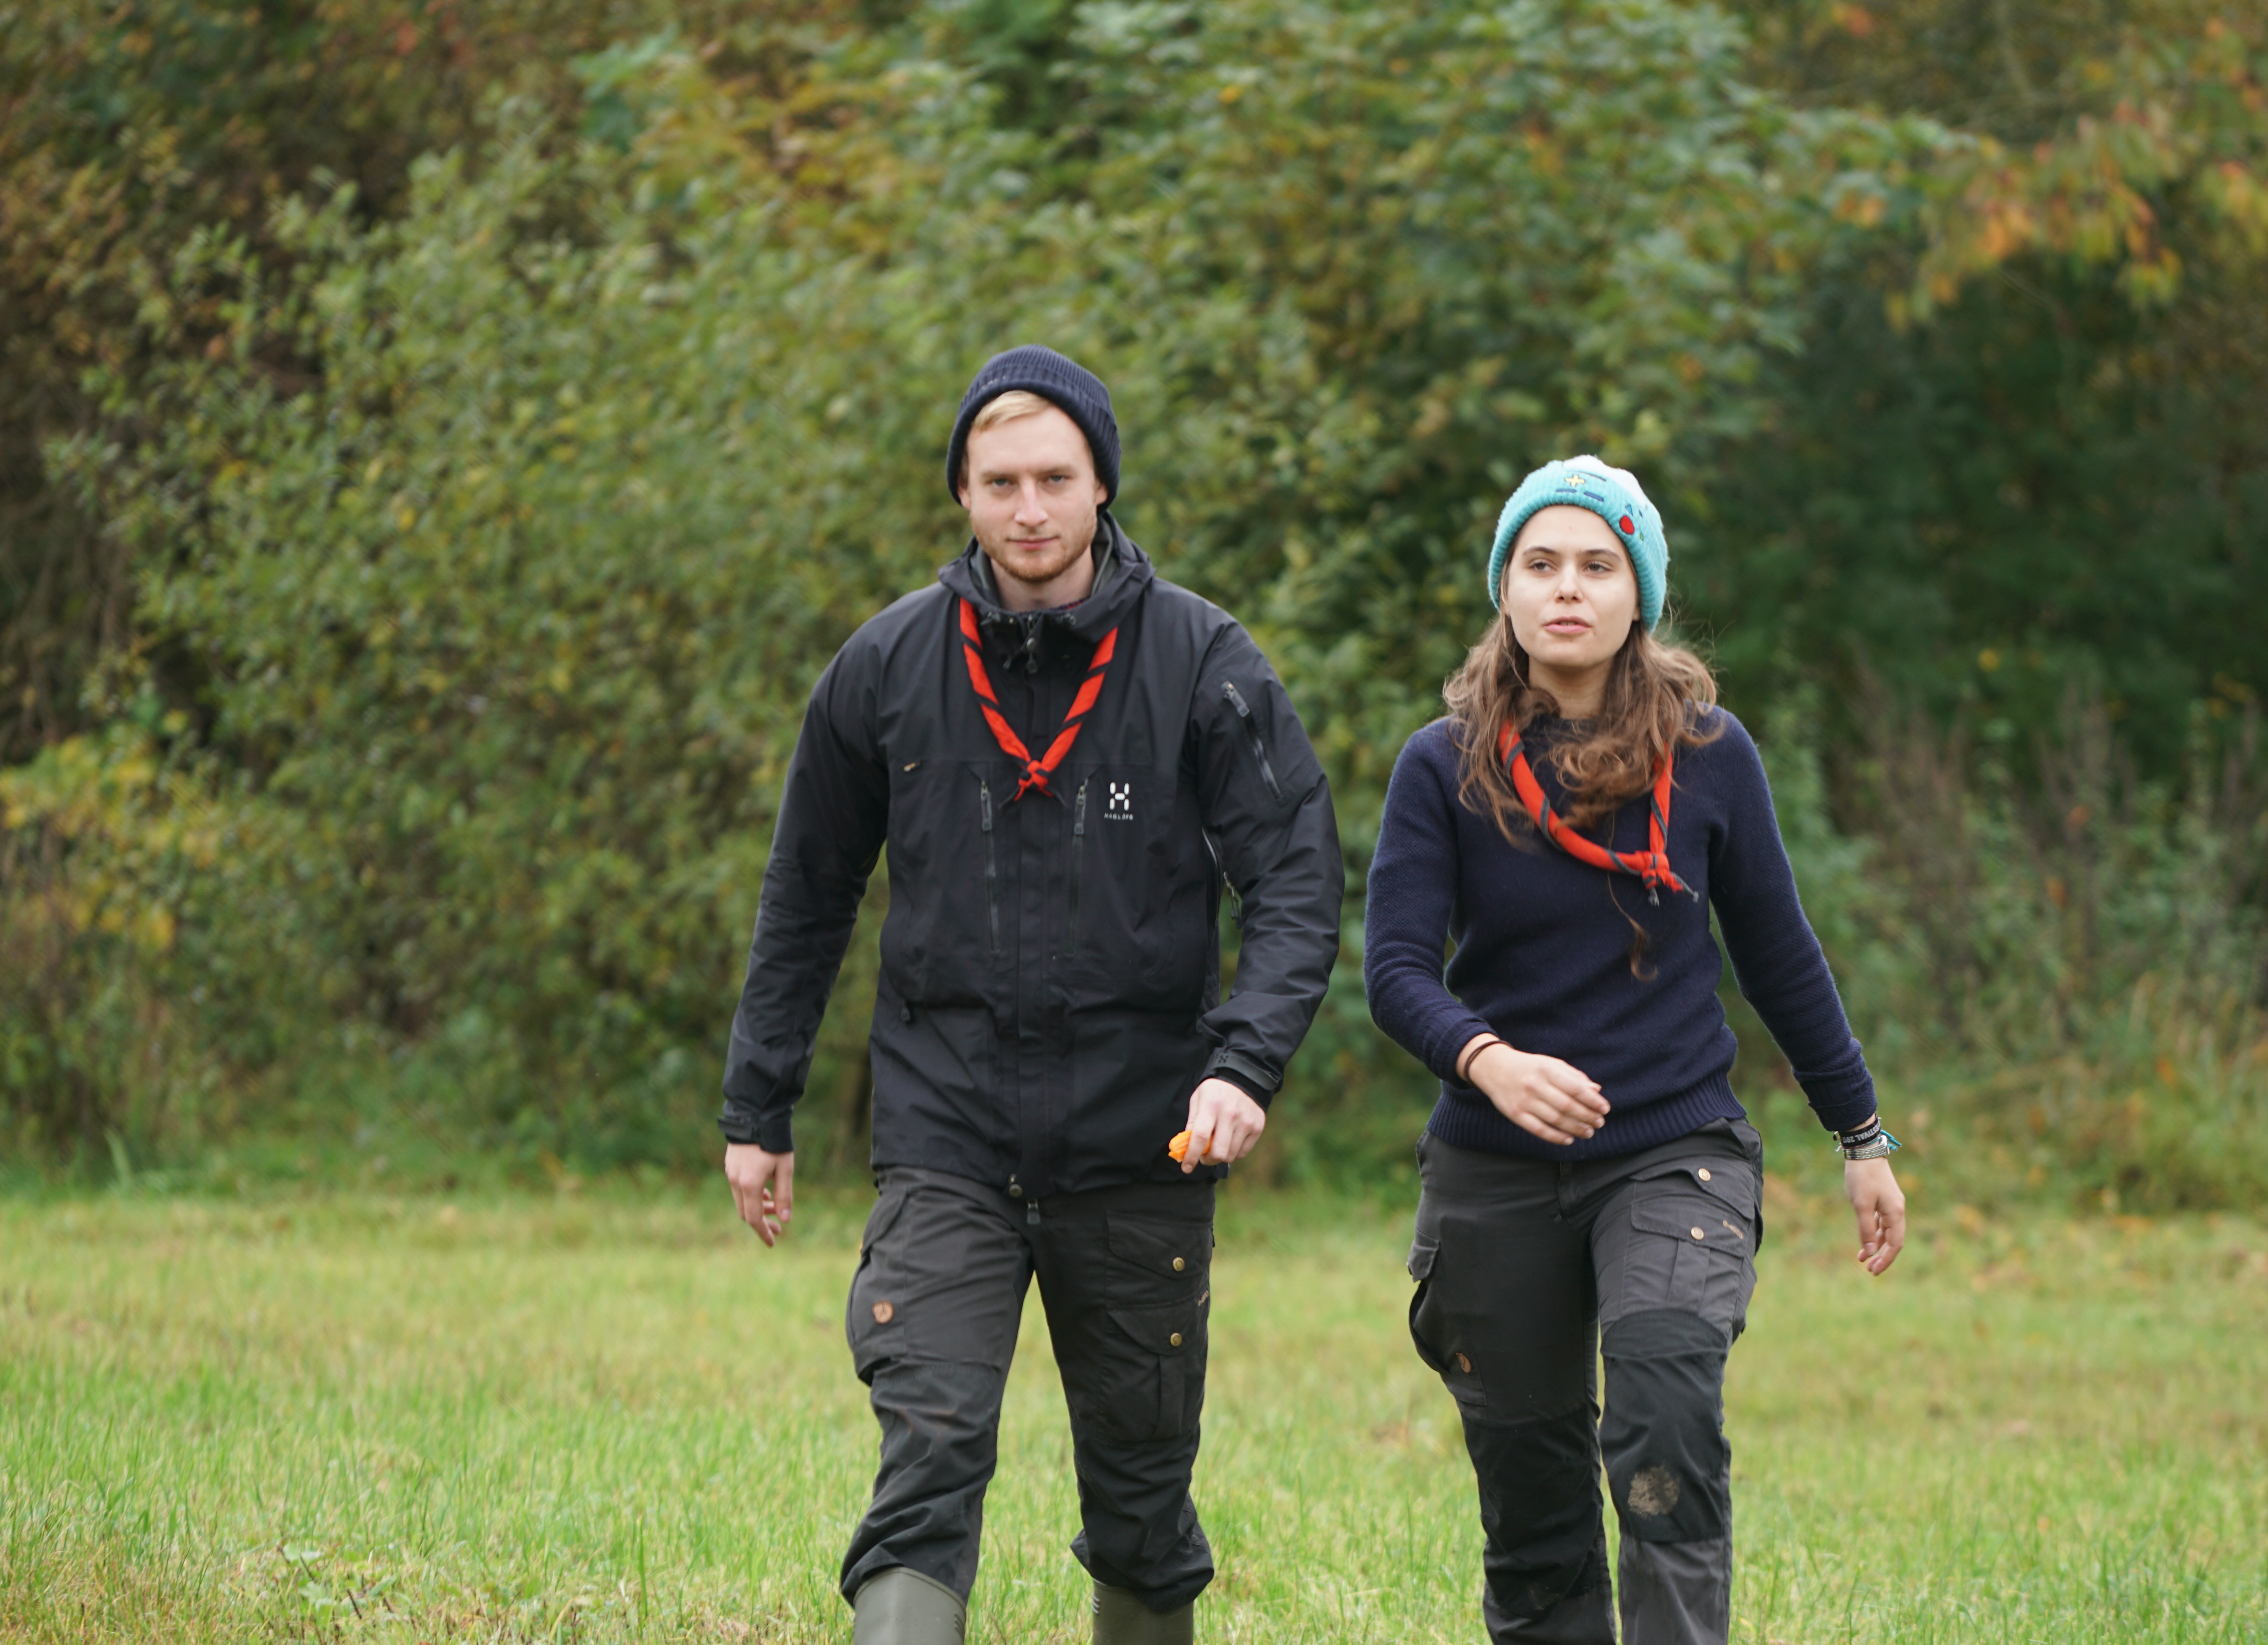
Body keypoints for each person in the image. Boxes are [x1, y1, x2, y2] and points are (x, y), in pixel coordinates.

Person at [718, 346, 1344, 1645]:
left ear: (1103, 482)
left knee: (1142, 1497)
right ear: (962, 492)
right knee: (930, 1449)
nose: (1030, 509)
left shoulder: (1203, 660)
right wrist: (758, 1106)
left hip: (1143, 1142)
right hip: (948, 1136)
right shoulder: (887, 665)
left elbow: (1296, 881)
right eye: (999, 481)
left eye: (1056, 478)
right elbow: (807, 893)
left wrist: (1244, 1065)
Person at [1363, 456, 1907, 1645]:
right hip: (1492, 1164)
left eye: (1598, 566)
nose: (1568, 588)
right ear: (1506, 589)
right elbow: (1394, 971)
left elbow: (1780, 957)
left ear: (1640, 595)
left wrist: (1861, 1136)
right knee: (1532, 1496)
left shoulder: (1712, 756)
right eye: (1541, 564)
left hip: (1674, 1150)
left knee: (1663, 1424)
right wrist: (1489, 1060)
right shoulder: (1440, 764)